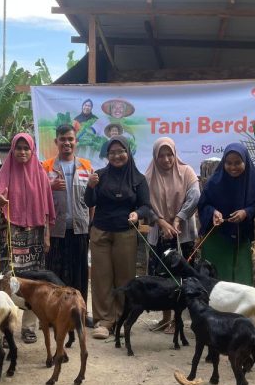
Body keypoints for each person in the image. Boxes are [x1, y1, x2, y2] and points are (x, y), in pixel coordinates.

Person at [85, 136, 151, 340]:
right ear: (107, 155)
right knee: (101, 278)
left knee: (125, 278)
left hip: (126, 232)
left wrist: (137, 214)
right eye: (112, 152)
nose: (116, 156)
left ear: (128, 153)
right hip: (101, 232)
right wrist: (90, 186)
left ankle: (122, 320)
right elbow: (89, 202)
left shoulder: (138, 179)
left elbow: (146, 206)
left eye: (121, 151)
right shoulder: (99, 175)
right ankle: (104, 321)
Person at [0, 133, 55, 343]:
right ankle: (5, 328)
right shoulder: (5, 171)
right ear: (13, 149)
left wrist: (47, 235)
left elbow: (46, 208)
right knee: (7, 280)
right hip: (10, 233)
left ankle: (29, 327)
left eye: (26, 148)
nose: (22, 152)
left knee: (34, 282)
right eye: (18, 148)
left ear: (32, 150)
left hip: (35, 235)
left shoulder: (40, 173)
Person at [145, 137, 200, 333]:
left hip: (182, 234)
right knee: (161, 277)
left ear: (175, 154)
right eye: (161, 155)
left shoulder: (187, 171)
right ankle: (165, 318)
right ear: (155, 157)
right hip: (158, 233)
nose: (166, 159)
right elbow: (144, 203)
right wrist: (161, 222)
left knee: (182, 277)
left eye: (170, 154)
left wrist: (178, 218)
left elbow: (195, 196)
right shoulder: (148, 176)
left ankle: (179, 321)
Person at [43, 124, 93, 313]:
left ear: (76, 141)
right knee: (56, 276)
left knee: (80, 275)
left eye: (70, 139)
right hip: (56, 232)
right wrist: (50, 187)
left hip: (80, 230)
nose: (67, 143)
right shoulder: (46, 167)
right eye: (62, 139)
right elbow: (39, 198)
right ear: (56, 141)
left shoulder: (86, 167)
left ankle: (80, 313)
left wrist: (90, 226)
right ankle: (56, 314)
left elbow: (92, 202)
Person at [197, 142, 255, 285]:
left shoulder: (252, 182)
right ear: (223, 163)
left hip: (241, 239)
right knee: (214, 281)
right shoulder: (214, 182)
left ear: (245, 162)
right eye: (228, 163)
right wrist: (213, 212)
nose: (233, 167)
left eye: (237, 163)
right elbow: (203, 204)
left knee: (240, 281)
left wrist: (246, 212)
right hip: (216, 239)